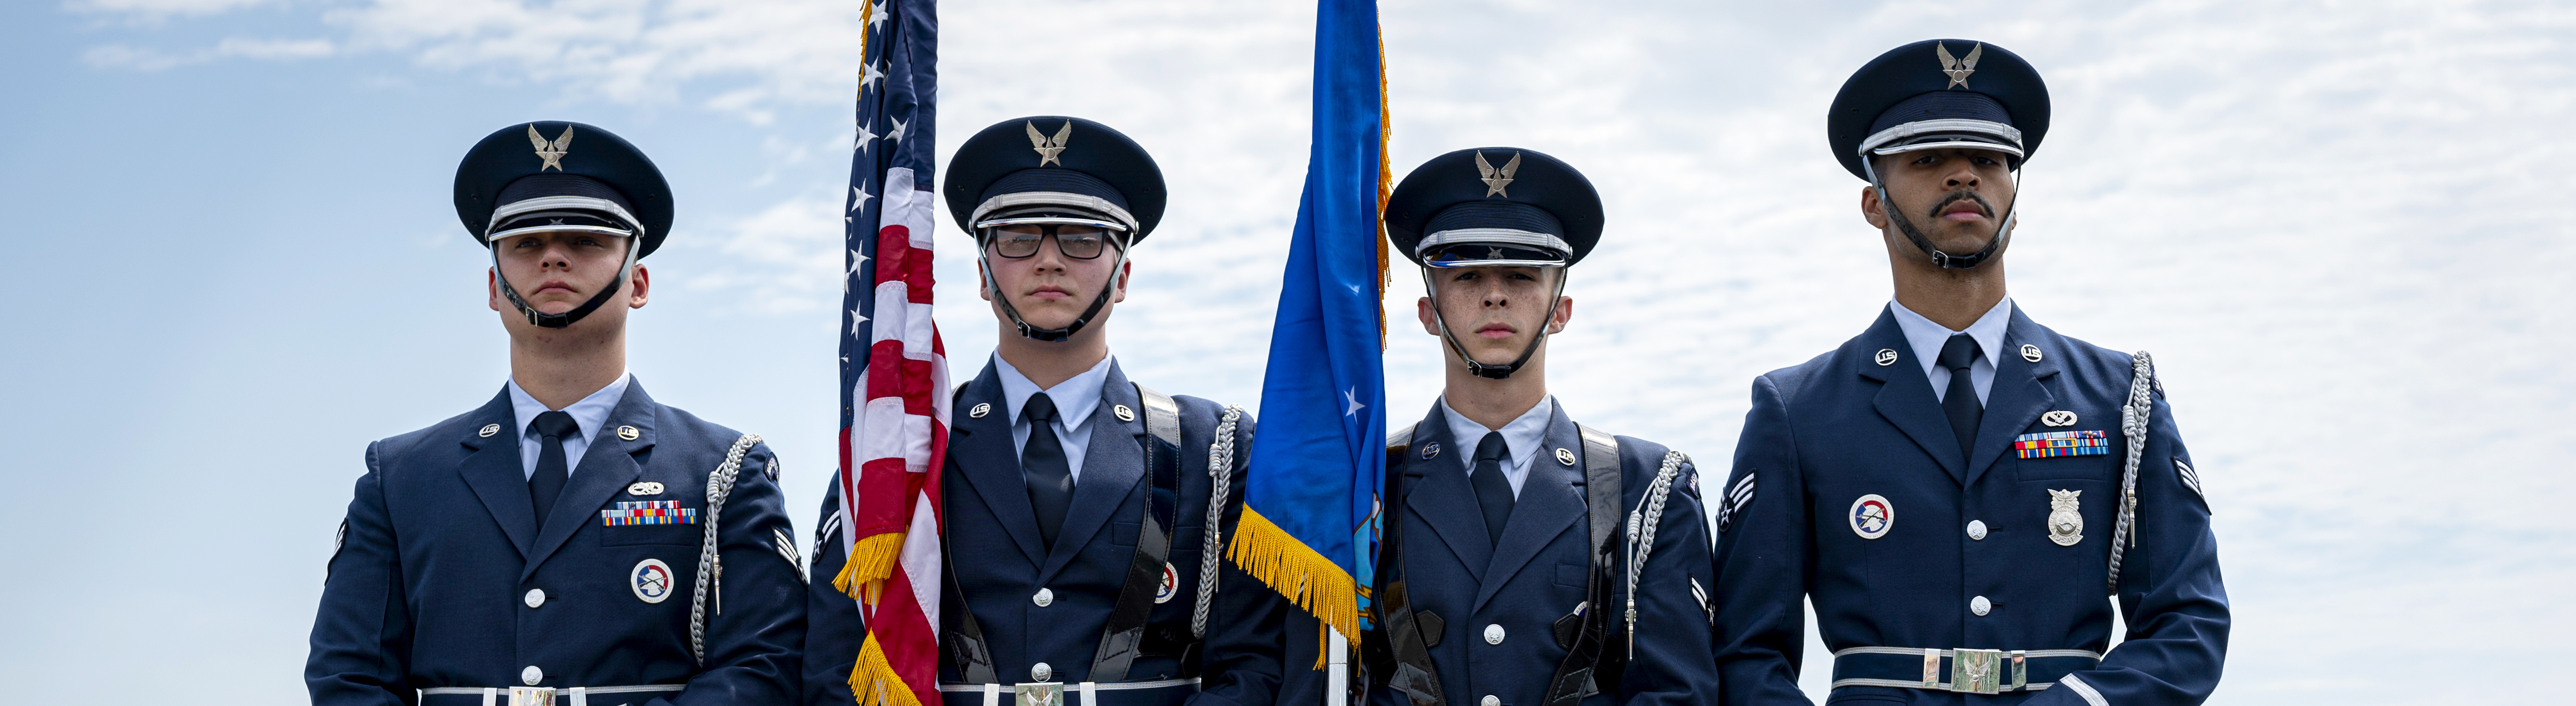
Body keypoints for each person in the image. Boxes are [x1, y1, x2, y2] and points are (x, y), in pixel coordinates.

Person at [1708, 40, 2229, 706]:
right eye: (1928, 160)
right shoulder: (1797, 408)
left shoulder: (2118, 394)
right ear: (1872, 202)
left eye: (1988, 160)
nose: (1964, 176)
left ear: (2015, 195)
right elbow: (1744, 651)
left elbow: (2187, 623)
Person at [306, 121, 805, 706]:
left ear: (637, 283)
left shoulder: (723, 470)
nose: (553, 258)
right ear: (494, 287)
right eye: (525, 244)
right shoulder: (403, 476)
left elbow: (763, 667)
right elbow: (350, 678)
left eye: (586, 242)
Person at [805, 116, 1288, 706]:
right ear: (983, 274)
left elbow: (1255, 669)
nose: (1049, 261)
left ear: (1123, 276)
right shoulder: (899, 448)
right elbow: (837, 667)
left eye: (1083, 239)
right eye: (1017, 237)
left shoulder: (1212, 448)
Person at [1359, 147, 1719, 706]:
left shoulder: (1647, 487)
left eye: (1522, 275)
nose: (1494, 293)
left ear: (1560, 311)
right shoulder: (1365, 481)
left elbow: (1676, 693)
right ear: (1428, 312)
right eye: (1467, 274)